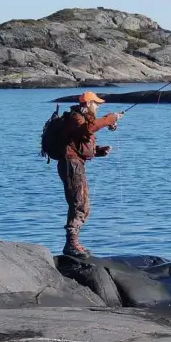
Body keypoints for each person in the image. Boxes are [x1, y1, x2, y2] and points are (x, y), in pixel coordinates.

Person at [58, 91, 123, 258]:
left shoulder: (81, 119)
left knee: (84, 205)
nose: (98, 107)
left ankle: (73, 243)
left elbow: (80, 142)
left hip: (76, 163)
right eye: (96, 104)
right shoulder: (76, 118)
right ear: (88, 104)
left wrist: (98, 151)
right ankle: (71, 244)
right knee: (78, 203)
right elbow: (86, 131)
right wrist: (109, 119)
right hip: (71, 165)